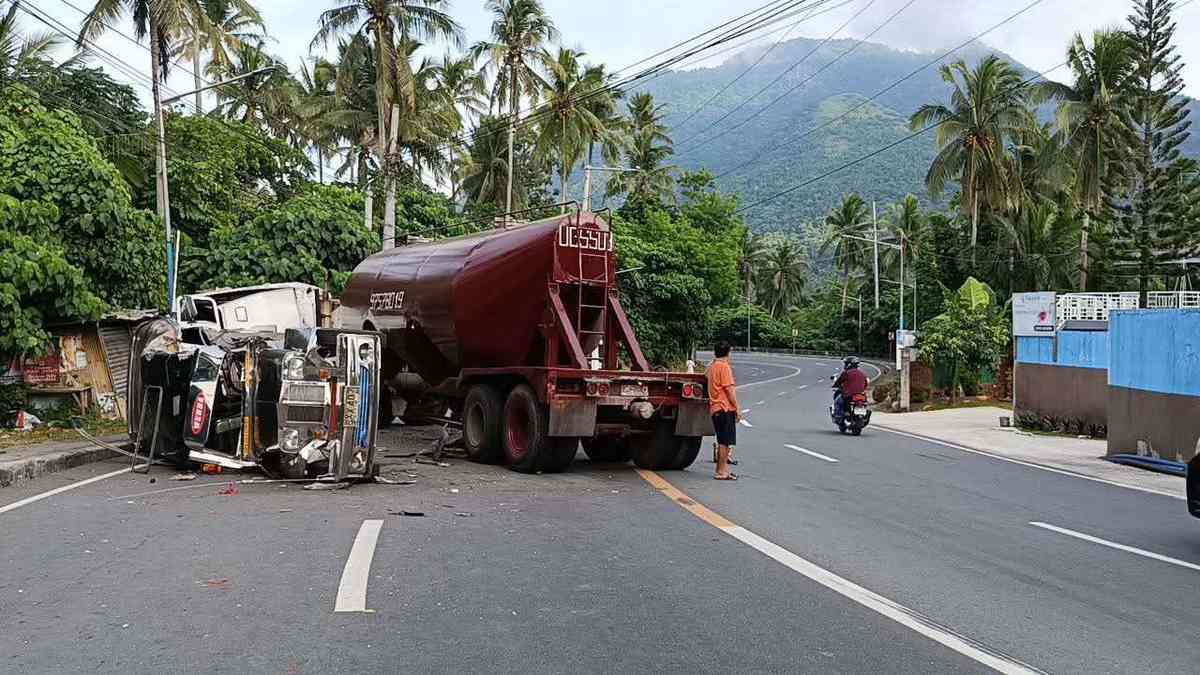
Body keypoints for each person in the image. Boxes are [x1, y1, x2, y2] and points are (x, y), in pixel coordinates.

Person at [706, 341, 739, 480]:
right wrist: (737, 408)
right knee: (725, 442)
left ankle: (723, 469)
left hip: (715, 408)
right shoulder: (724, 367)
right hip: (724, 408)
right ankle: (721, 471)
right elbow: (729, 390)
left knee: (722, 441)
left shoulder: (713, 367)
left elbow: (705, 374)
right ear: (728, 352)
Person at [832, 356, 868, 422]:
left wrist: (834, 386)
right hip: (861, 394)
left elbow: (839, 381)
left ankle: (841, 415)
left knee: (837, 401)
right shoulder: (862, 374)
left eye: (845, 364)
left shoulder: (846, 373)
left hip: (849, 394)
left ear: (848, 364)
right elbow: (865, 384)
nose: (844, 365)